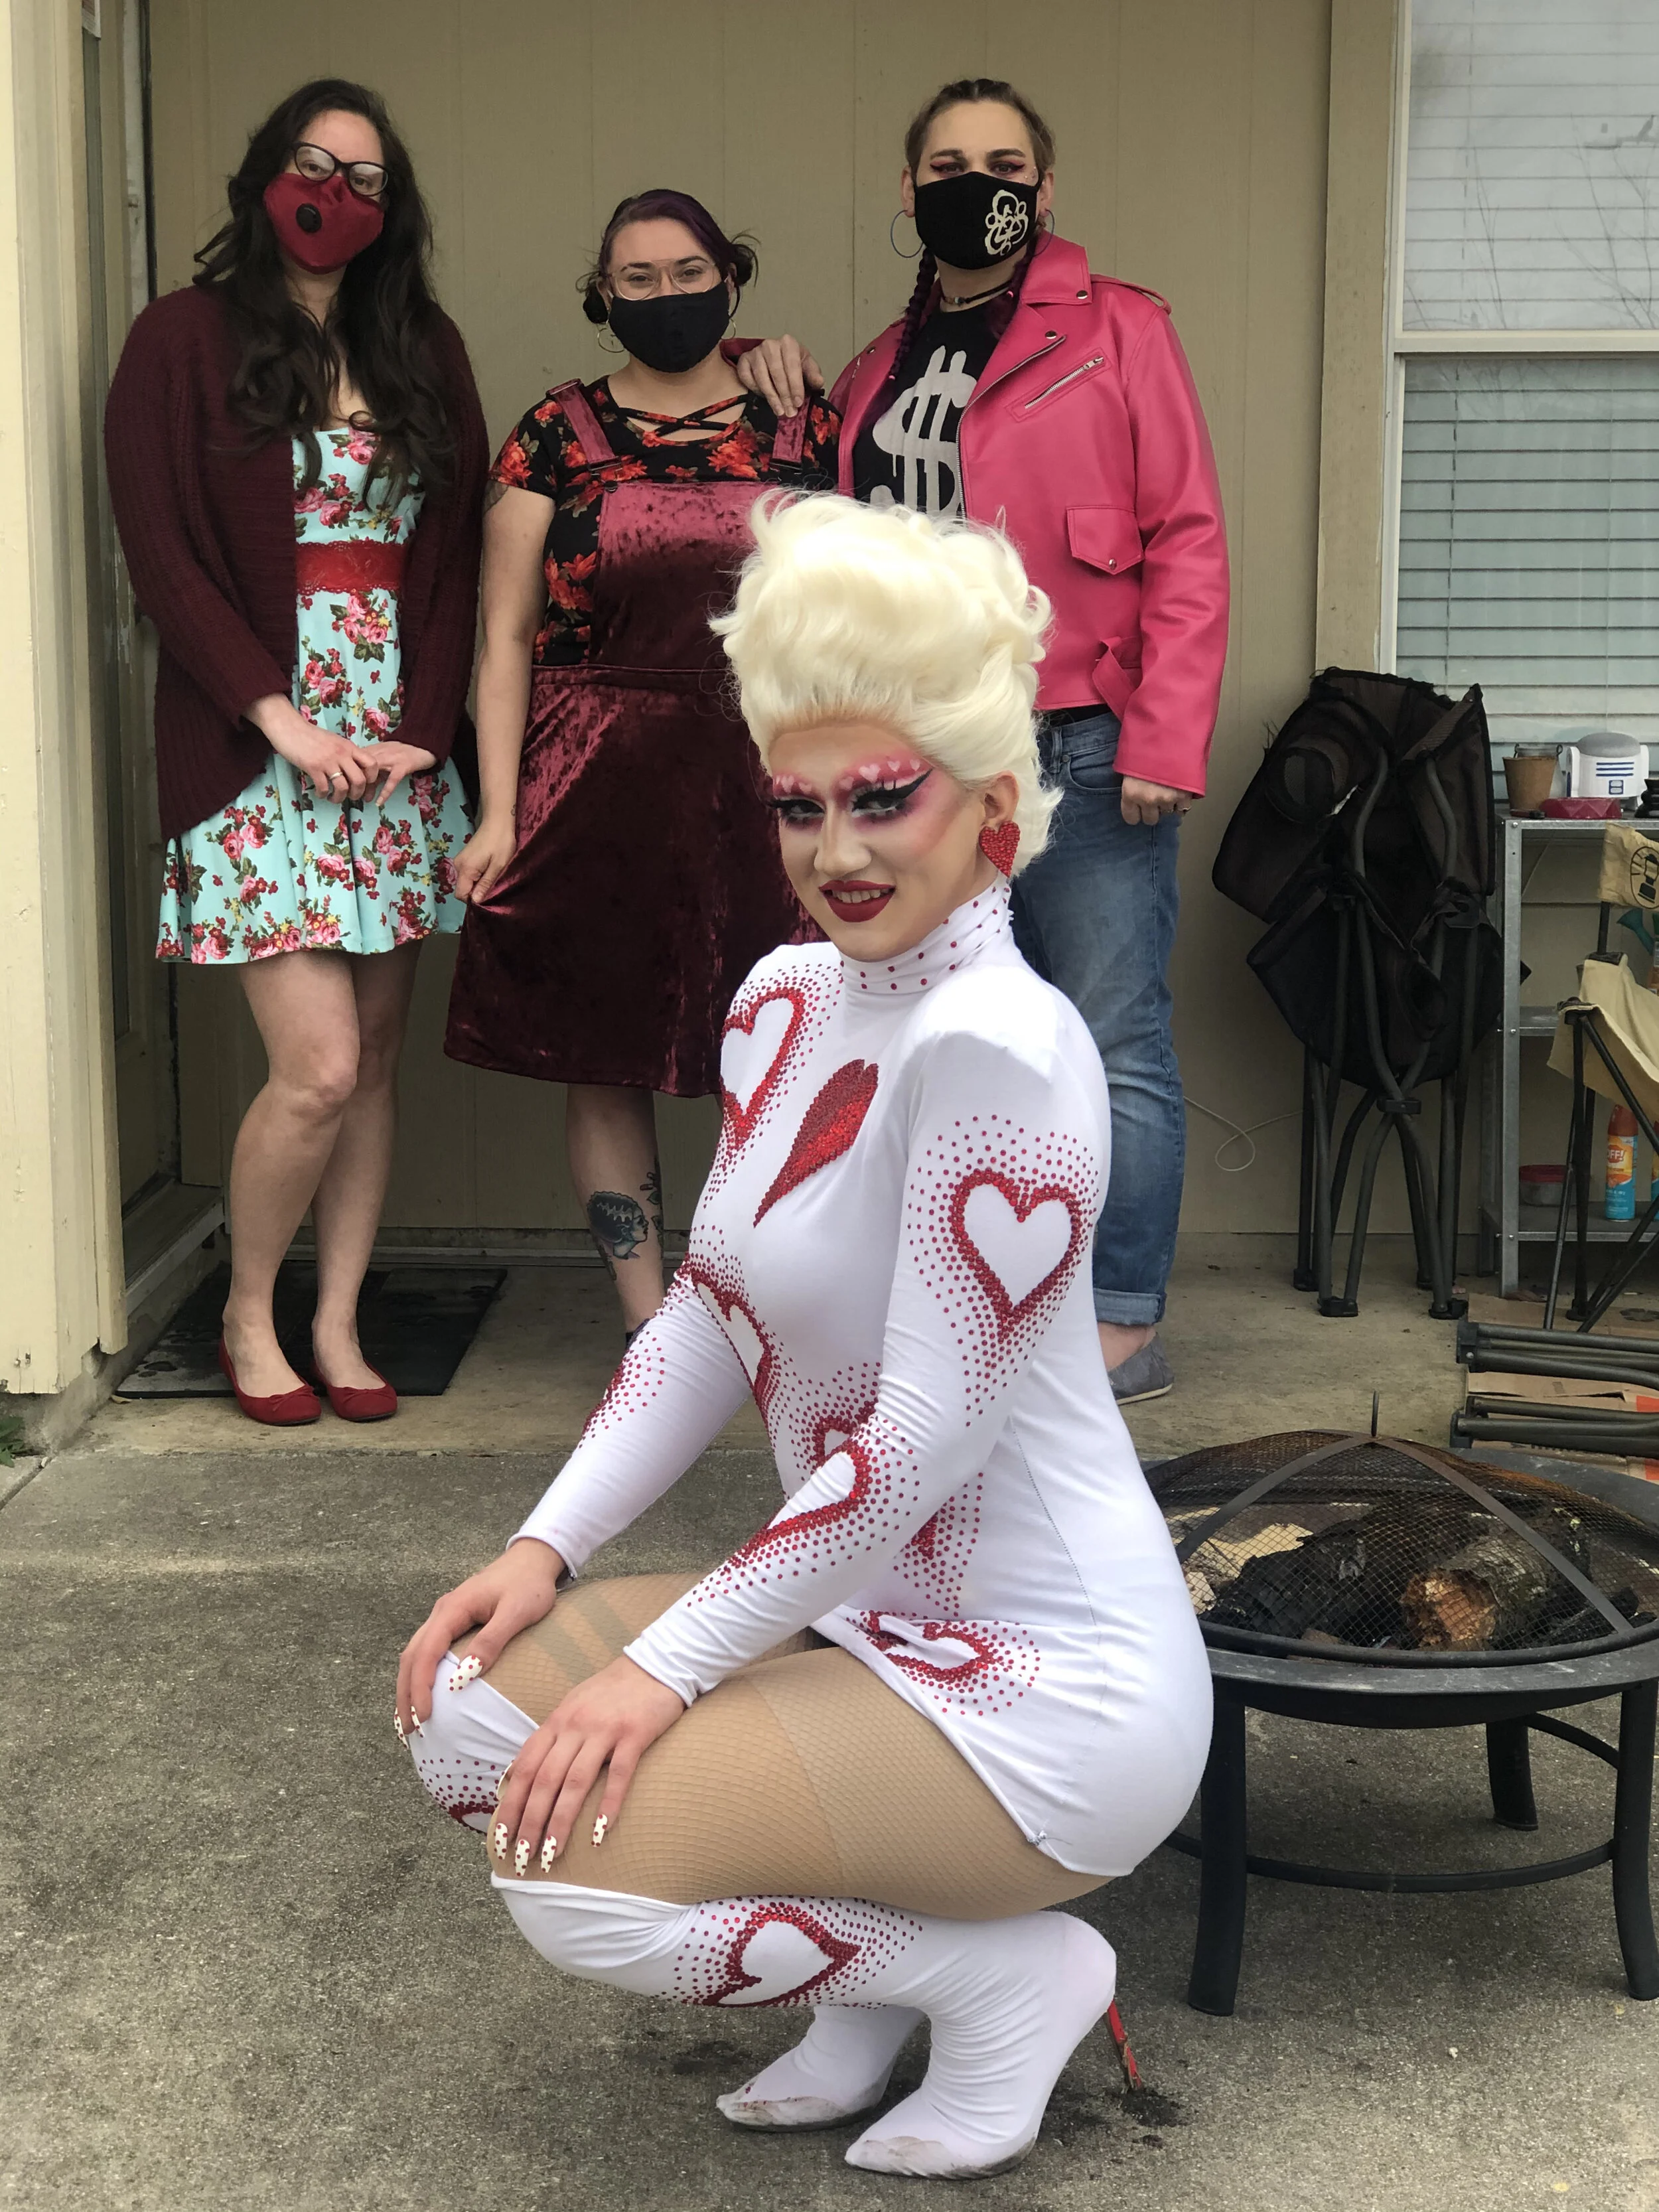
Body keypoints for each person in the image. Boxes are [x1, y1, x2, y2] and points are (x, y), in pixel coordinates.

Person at [399, 497, 1212, 2181]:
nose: (836, 847)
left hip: (1051, 1691)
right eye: (797, 801)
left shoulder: (1004, 1047)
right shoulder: (786, 998)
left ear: (994, 806)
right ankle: (872, 1986)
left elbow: (914, 1442)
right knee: (464, 1715)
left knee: (566, 1881)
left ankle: (1004, 1976)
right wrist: (545, 1549)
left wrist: (659, 1661)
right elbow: (707, 1314)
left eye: (881, 797)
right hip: (861, 1628)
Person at [735, 78, 1230, 1406]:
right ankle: (948, 1301)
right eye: (947, 164)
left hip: (1075, 739)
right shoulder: (872, 371)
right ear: (908, 195)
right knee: (929, 1033)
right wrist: (780, 402)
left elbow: (1183, 536)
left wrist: (1162, 734)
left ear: (1045, 188)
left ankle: (1117, 1319)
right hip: (919, 763)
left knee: (1111, 1032)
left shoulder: (1119, 328)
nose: (976, 181)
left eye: (1003, 162)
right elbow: (831, 553)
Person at [106, 80, 486, 1428]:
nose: (338, 193)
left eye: (368, 178)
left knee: (376, 1056)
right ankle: (247, 1312)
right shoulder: (181, 341)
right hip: (253, 739)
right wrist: (280, 718)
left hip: (387, 750)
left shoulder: (422, 346)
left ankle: (337, 1320)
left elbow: (450, 565)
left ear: (393, 211)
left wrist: (413, 734)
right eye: (315, 165)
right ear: (267, 175)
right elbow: (164, 552)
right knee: (317, 1063)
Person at [443, 190, 838, 1340]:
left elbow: (852, 616)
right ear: (603, 295)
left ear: (731, 275)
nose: (666, 296)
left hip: (764, 779)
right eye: (639, 280)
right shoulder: (551, 437)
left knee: (769, 1055)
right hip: (594, 780)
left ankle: (750, 1306)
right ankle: (651, 1326)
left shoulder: (804, 422)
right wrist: (501, 815)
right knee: (604, 1052)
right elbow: (503, 641)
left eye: (687, 273)